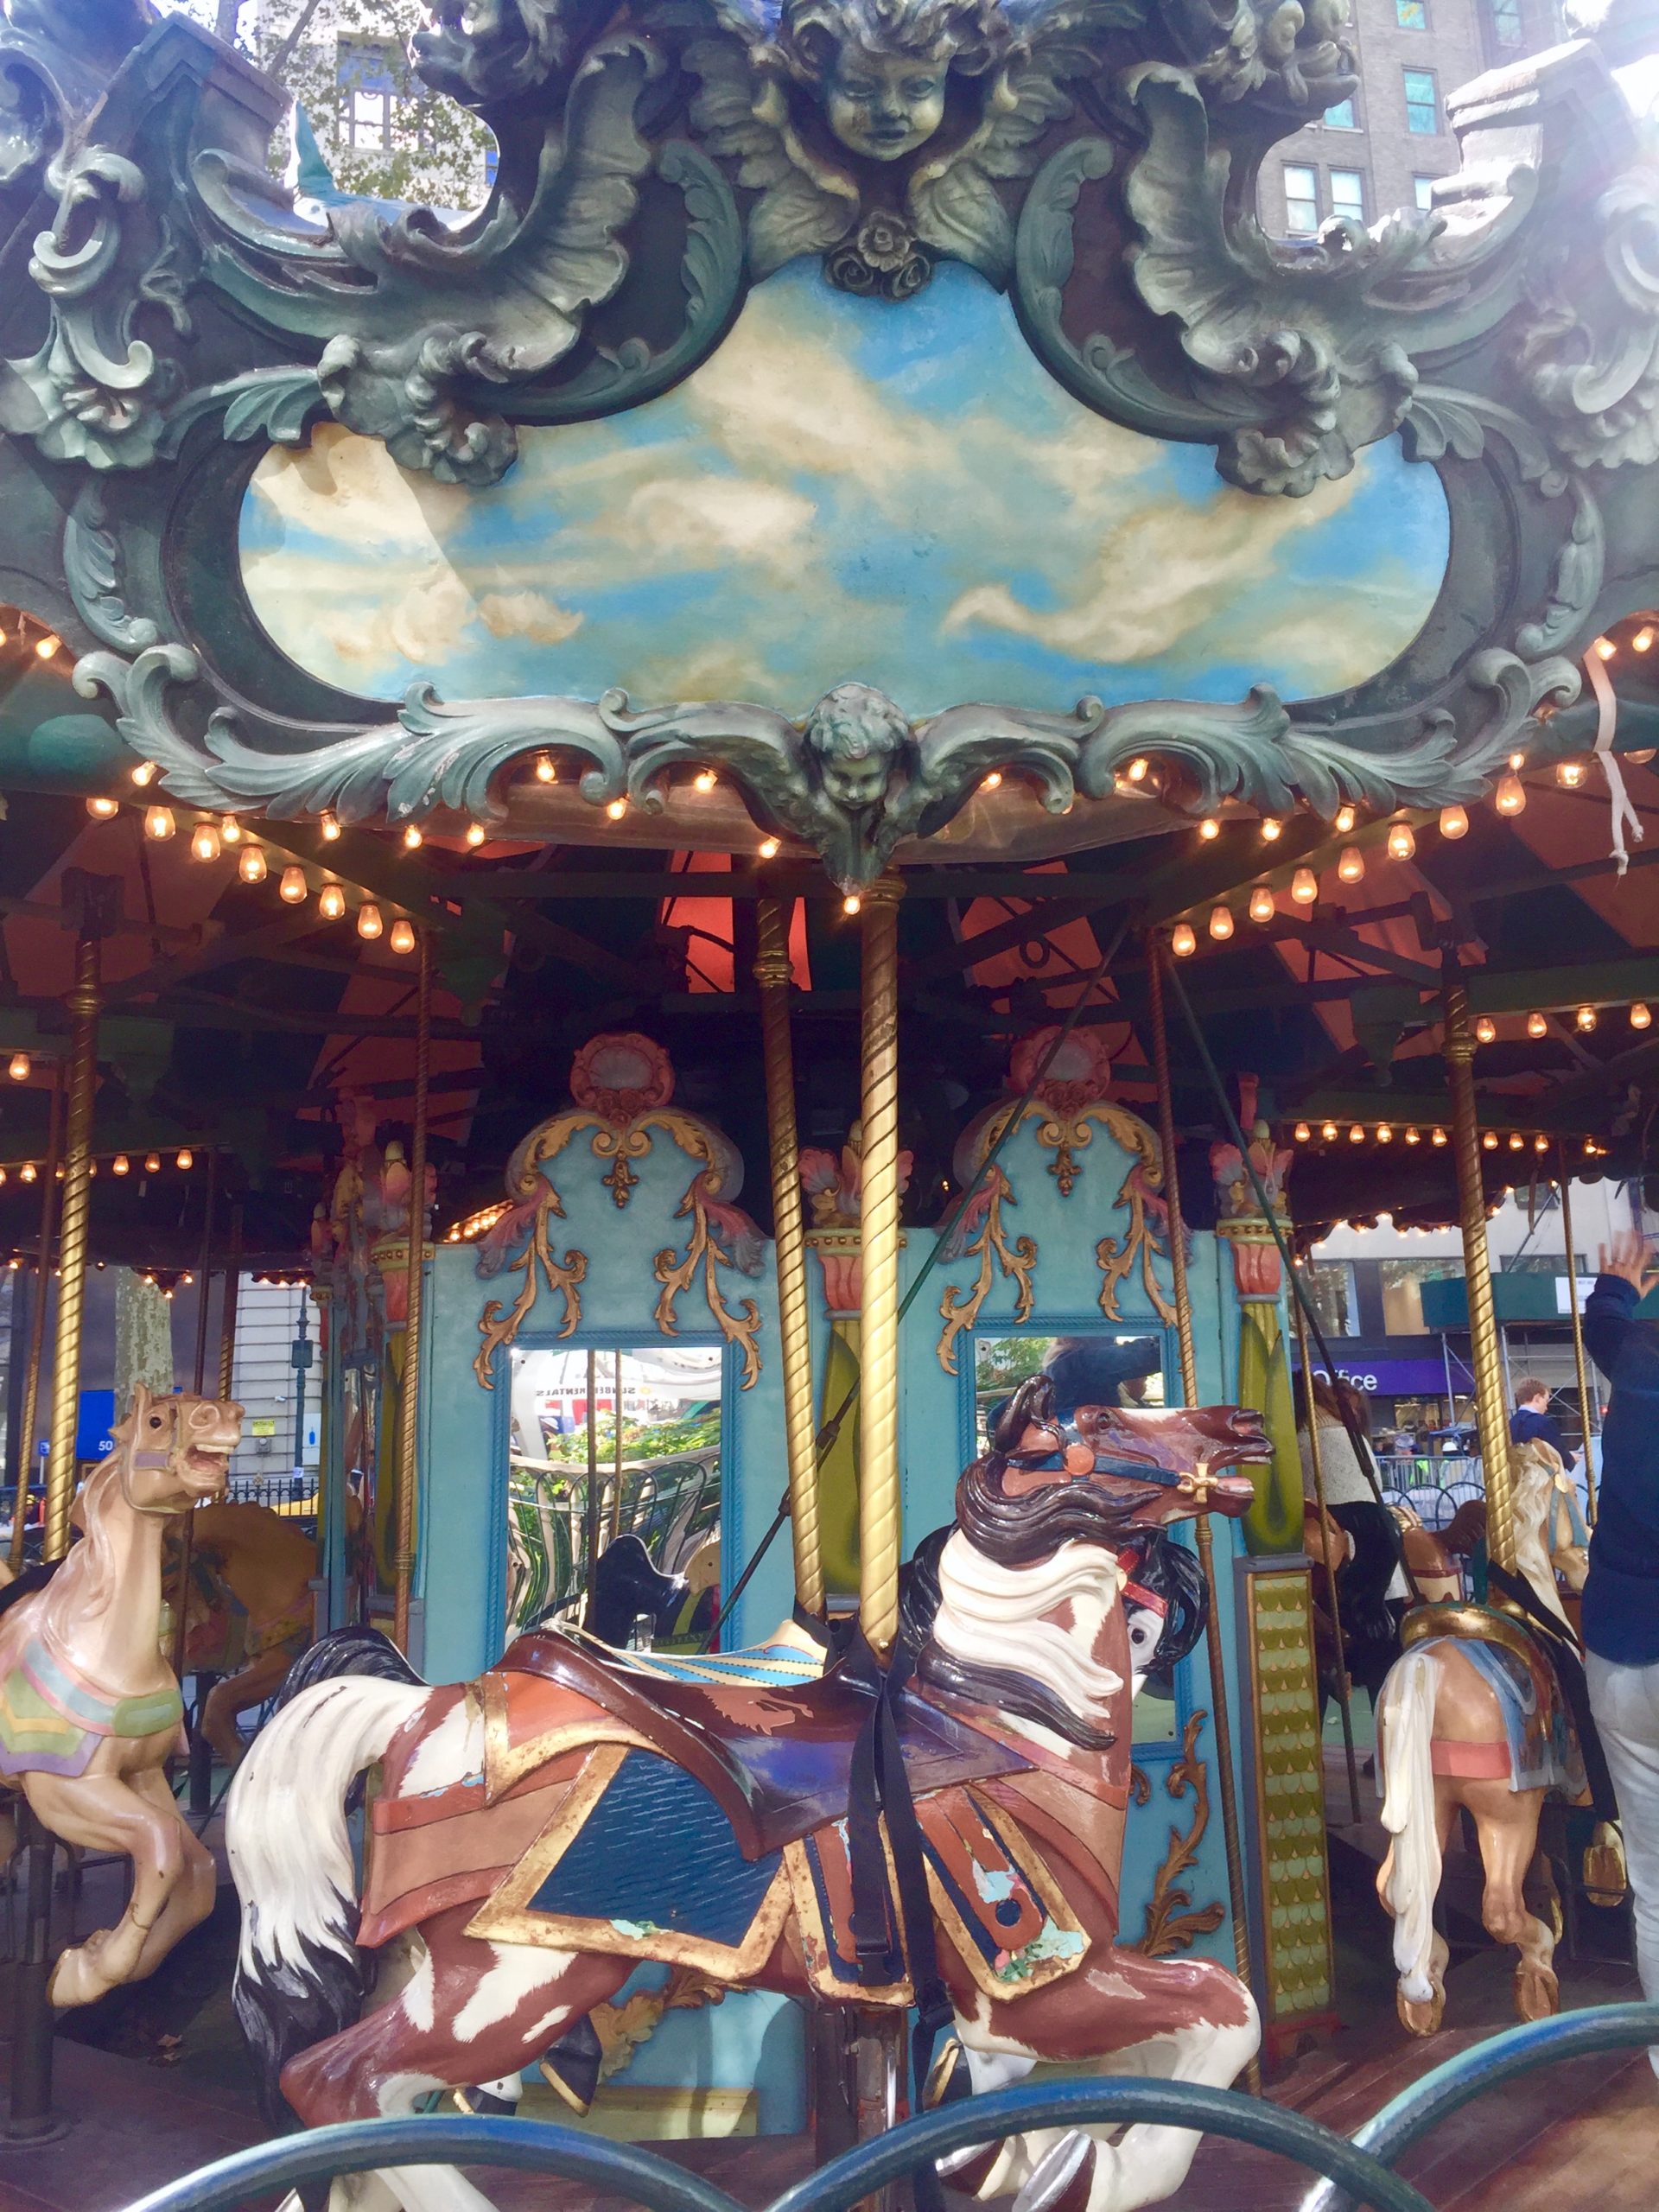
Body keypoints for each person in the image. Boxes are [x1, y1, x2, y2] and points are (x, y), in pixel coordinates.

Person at [1580, 1230, 1659, 2058]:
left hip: (1621, 1652)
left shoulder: (1641, 1367)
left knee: (1658, 1890)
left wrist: (1615, 1289)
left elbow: (1609, 1334)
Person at [1296, 1372, 1402, 1698]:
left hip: (1332, 1572)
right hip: (1384, 1570)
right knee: (1385, 1674)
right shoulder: (1354, 1439)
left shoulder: (1296, 1440)